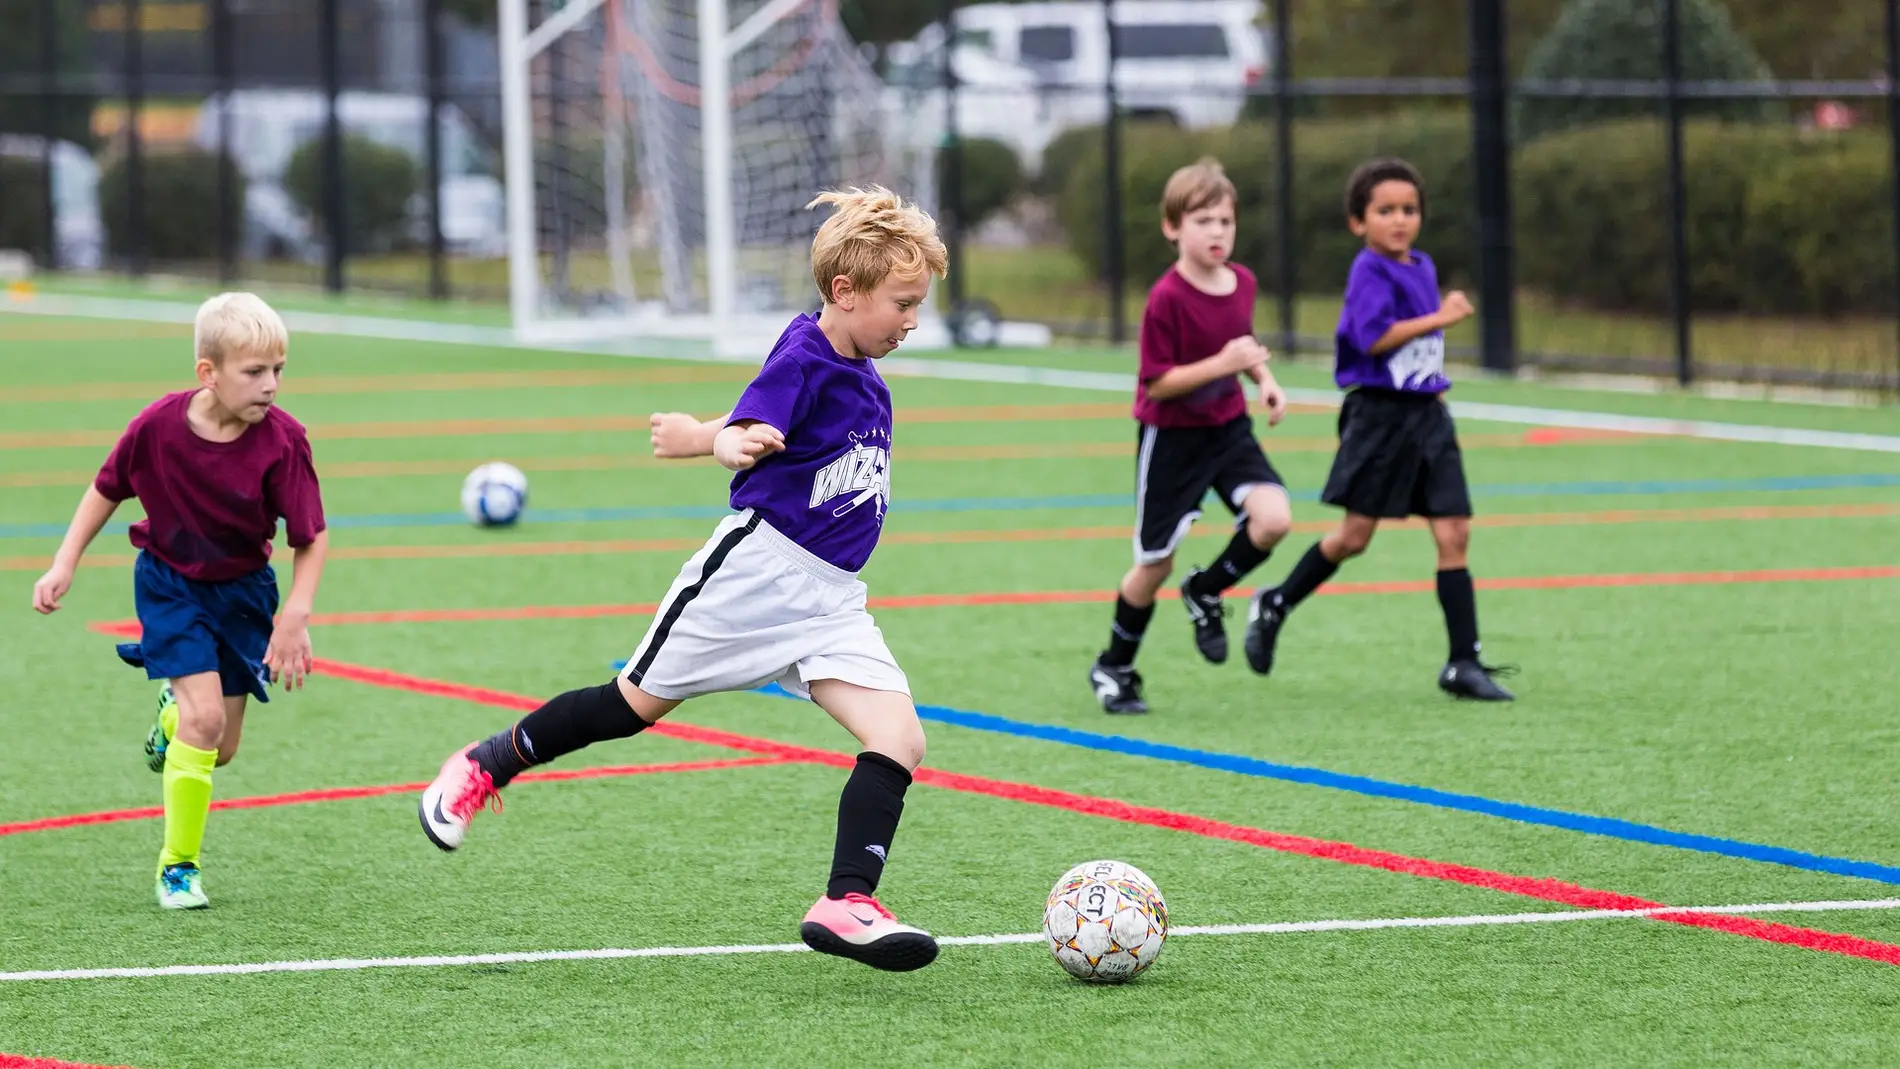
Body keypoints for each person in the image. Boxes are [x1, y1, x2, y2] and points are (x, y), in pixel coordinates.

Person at [418, 187, 949, 972]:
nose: (912, 320)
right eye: (903, 303)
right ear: (845, 290)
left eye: (918, 305)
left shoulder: (869, 377)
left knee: (899, 738)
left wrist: (704, 435)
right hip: (754, 576)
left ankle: (845, 901)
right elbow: (749, 424)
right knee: (630, 705)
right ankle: (484, 763)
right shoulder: (804, 355)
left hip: (832, 600)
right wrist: (718, 442)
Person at [32, 292, 330, 909]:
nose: (270, 385)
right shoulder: (157, 427)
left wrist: (295, 615)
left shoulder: (284, 440)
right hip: (169, 585)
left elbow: (310, 535)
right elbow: (105, 489)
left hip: (245, 593)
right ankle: (178, 867)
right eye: (254, 372)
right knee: (206, 722)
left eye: (278, 370)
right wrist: (65, 562)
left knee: (219, 748)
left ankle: (171, 715)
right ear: (208, 372)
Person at [1242, 157, 1514, 701]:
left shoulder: (1422, 265)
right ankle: (1276, 602)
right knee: (1355, 536)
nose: (1399, 220)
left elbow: (1414, 346)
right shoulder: (1369, 270)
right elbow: (1373, 338)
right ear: (1358, 222)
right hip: (1378, 420)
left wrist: (1430, 377)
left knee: (1454, 532)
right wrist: (1440, 317)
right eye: (1385, 210)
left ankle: (1463, 661)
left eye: (1409, 210)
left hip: (1427, 419)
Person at [1086, 158, 1292, 716]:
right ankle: (1114, 666)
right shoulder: (1167, 299)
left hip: (1228, 430)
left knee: (1275, 518)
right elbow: (1160, 381)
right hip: (1173, 439)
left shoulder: (1243, 282)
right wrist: (1223, 362)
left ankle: (1207, 591)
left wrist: (1264, 380)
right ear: (1173, 227)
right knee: (1155, 565)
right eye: (1203, 220)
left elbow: (1241, 344)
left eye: (1225, 221)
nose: (1218, 232)